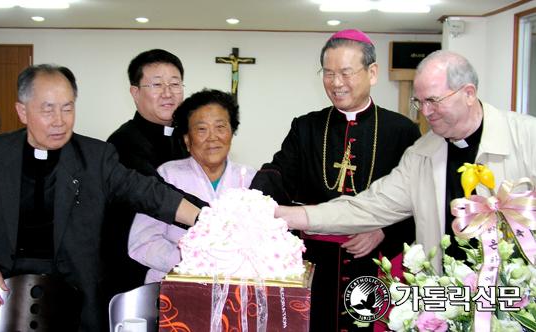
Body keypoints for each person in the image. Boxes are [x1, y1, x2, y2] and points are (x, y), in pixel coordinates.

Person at [276, 50, 536, 273]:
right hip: (446, 298)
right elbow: (370, 206)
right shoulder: (422, 152)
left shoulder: (527, 138)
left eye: (433, 101)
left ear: (468, 94)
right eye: (418, 102)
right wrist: (284, 215)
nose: (424, 113)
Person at [0, 64, 201, 332]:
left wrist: (205, 219)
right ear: (22, 111)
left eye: (67, 108)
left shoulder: (95, 157)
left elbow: (146, 192)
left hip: (78, 291)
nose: (59, 121)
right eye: (47, 109)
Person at [250, 30, 420, 332]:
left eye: (345, 72)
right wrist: (252, 198)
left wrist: (385, 231)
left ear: (373, 72)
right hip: (316, 259)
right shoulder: (306, 126)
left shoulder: (402, 130)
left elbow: (418, 198)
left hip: (373, 258)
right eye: (328, 73)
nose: (336, 83)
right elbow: (279, 173)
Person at [105, 49, 207, 297]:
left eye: (174, 84)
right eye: (157, 84)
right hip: (135, 267)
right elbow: (158, 194)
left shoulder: (186, 138)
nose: (168, 93)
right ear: (135, 92)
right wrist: (213, 216)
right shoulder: (123, 142)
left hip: (183, 260)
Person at [128, 89, 256, 283]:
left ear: (231, 133)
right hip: (174, 288)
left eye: (220, 127)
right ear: (187, 140)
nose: (213, 137)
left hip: (237, 288)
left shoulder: (250, 179)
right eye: (202, 129)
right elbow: (141, 242)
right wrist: (193, 261)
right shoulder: (168, 175)